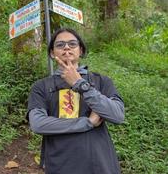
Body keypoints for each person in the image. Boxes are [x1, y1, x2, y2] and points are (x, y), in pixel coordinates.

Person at [27, 28, 125, 174]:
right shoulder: (41, 87)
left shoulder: (101, 81)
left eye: (72, 44)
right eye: (60, 45)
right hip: (60, 165)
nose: (66, 47)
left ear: (80, 50)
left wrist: (80, 84)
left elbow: (117, 115)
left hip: (100, 164)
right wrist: (87, 123)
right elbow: (38, 124)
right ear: (52, 53)